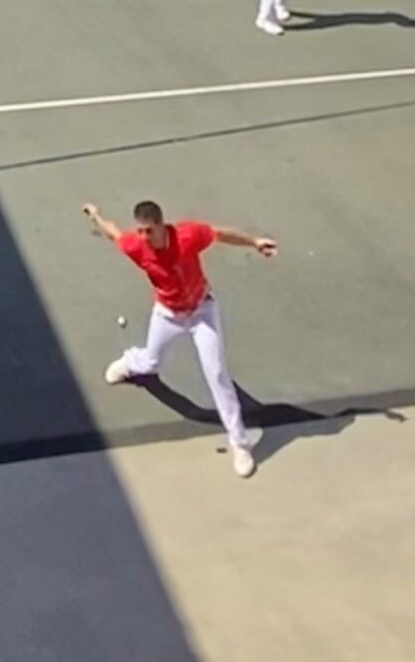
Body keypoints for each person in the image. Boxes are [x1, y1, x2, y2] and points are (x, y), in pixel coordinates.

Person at [81, 198, 276, 477]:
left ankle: (240, 443)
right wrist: (96, 216)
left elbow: (220, 234)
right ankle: (131, 361)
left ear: (161, 225)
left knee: (216, 373)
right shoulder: (135, 245)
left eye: (149, 230)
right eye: (140, 231)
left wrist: (255, 242)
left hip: (202, 311)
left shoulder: (188, 236)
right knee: (150, 363)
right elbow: (114, 232)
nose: (144, 237)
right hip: (167, 314)